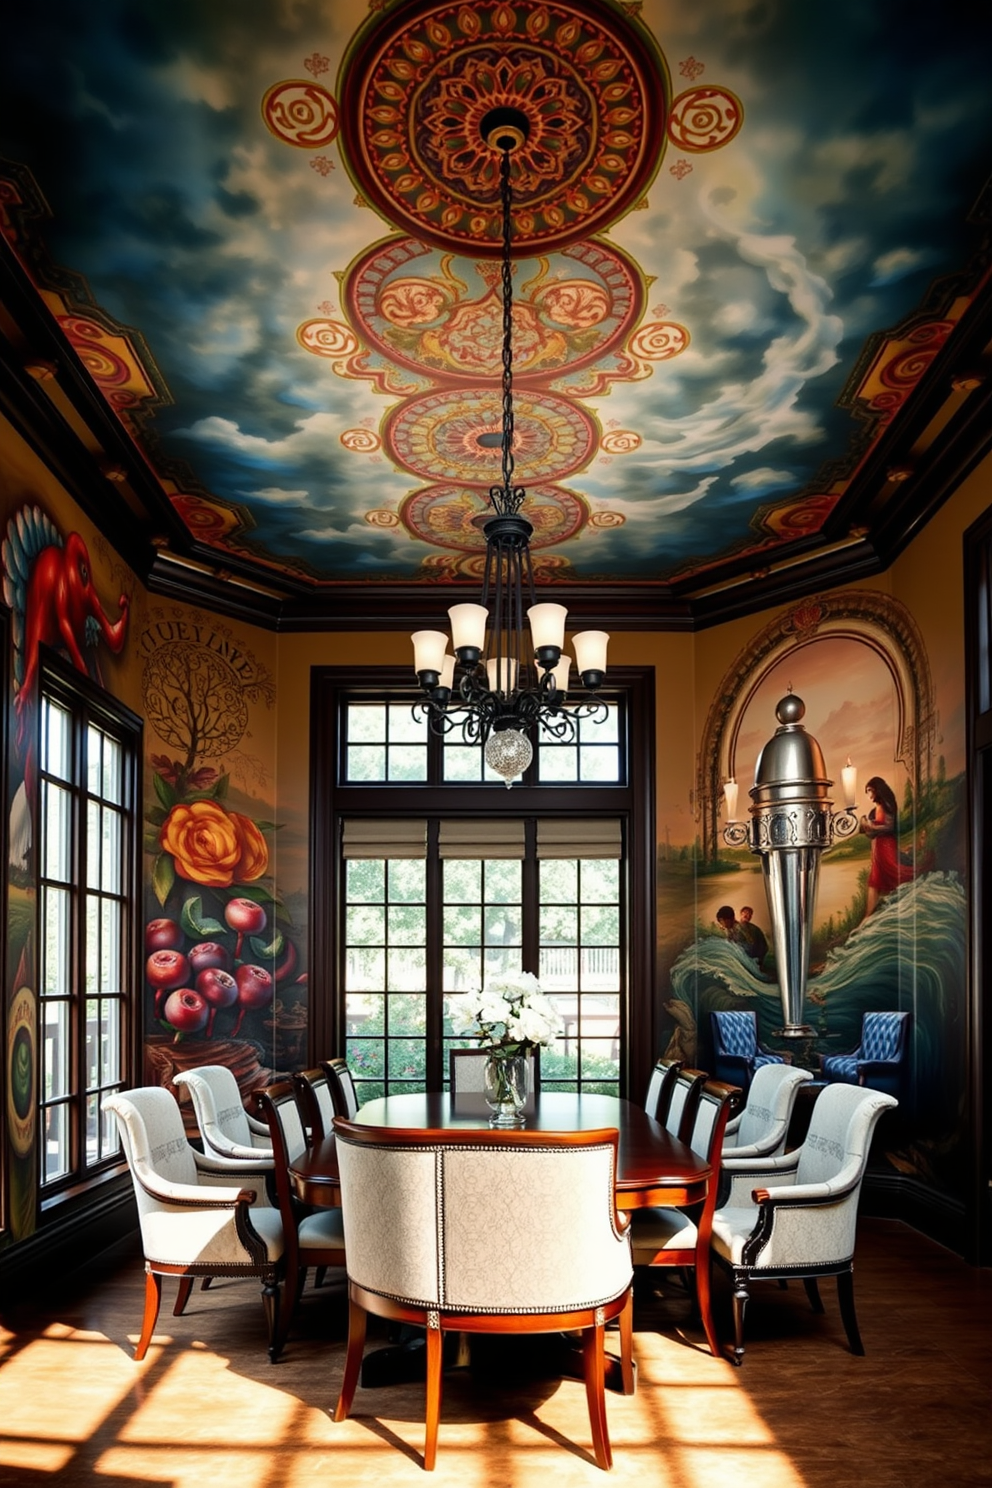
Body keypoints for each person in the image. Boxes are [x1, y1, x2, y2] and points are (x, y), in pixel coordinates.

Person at [860, 776, 914, 916]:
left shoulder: (887, 806)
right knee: (874, 880)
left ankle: (892, 912)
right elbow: (871, 834)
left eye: (870, 790)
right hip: (877, 849)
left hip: (886, 847)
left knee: (892, 874)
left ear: (878, 790)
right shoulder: (873, 811)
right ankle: (869, 916)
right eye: (867, 792)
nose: (869, 795)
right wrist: (865, 827)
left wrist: (871, 826)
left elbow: (889, 827)